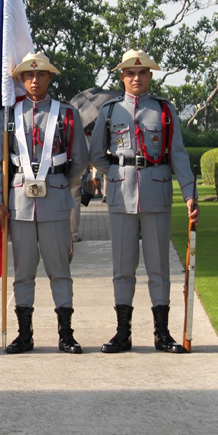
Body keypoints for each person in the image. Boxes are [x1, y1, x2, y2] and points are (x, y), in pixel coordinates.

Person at [88, 49, 200, 354]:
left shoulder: (164, 110)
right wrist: (116, 172)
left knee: (158, 268)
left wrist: (190, 194)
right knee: (123, 267)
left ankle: (162, 334)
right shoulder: (110, 111)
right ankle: (122, 333)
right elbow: (96, 153)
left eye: (142, 73)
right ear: (121, 76)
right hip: (121, 197)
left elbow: (177, 154)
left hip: (156, 193)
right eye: (130, 73)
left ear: (150, 76)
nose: (136, 78)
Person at [0, 51, 89, 354]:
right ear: (21, 79)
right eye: (29, 75)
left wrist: (59, 184)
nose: (35, 80)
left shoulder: (66, 113)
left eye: (41, 74)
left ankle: (66, 334)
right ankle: (25, 334)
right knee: (23, 272)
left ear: (49, 77)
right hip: (19, 202)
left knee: (60, 270)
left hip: (55, 201)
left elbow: (79, 161)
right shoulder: (9, 115)